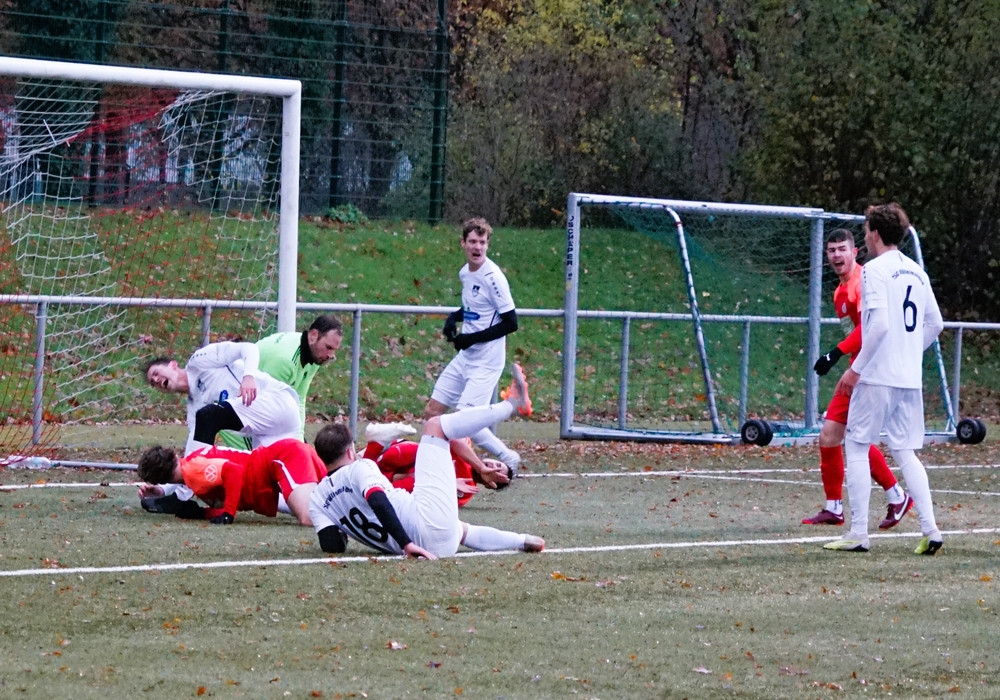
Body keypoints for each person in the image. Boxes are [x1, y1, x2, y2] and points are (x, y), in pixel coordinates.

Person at [309, 363, 544, 559]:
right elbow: (378, 500)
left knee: (462, 531)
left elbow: (332, 546)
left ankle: (522, 540)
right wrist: (406, 544)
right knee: (435, 425)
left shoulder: (318, 499)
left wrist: (344, 528)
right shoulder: (360, 468)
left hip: (437, 543)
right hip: (422, 532)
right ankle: (511, 404)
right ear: (351, 451)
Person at [823, 203, 945, 555]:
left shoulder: (874, 271)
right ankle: (931, 530)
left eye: (865, 232)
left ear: (874, 234)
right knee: (905, 452)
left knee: (856, 446)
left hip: (877, 376)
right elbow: (936, 324)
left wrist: (855, 369)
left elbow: (878, 326)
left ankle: (858, 533)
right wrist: (909, 351)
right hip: (908, 377)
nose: (865, 237)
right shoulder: (917, 272)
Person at [804, 229, 911, 529]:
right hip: (857, 369)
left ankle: (897, 496)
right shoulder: (839, 292)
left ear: (854, 252)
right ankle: (835, 507)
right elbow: (856, 333)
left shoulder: (864, 281)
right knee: (830, 436)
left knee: (855, 438)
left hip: (871, 371)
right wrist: (843, 356)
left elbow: (870, 328)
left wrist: (835, 354)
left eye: (842, 249)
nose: (836, 255)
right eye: (831, 250)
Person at [142, 340, 301, 512]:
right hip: (270, 431)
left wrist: (248, 376)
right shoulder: (193, 407)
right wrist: (163, 489)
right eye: (153, 382)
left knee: (208, 416)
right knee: (272, 490)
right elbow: (192, 456)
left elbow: (248, 348)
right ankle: (317, 503)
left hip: (277, 402)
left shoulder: (199, 361)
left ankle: (180, 499)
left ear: (173, 365)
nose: (156, 380)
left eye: (156, 373)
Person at [425, 217, 527, 477]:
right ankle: (441, 463)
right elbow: (474, 308)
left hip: (487, 361)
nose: (477, 247)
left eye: (482, 242)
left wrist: (470, 339)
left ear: (487, 245)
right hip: (466, 356)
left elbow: (511, 322)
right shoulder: (465, 273)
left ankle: (499, 458)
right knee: (432, 412)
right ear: (463, 243)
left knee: (459, 424)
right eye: (472, 241)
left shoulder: (494, 278)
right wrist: (453, 318)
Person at [220, 315, 344, 450]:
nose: (331, 355)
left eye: (334, 350)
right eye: (328, 347)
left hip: (254, 406)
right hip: (233, 404)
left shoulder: (315, 356)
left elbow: (299, 400)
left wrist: (298, 439)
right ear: (314, 335)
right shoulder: (285, 361)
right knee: (261, 458)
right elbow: (265, 408)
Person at [136, 438, 327, 526]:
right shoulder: (192, 463)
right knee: (331, 504)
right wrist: (204, 513)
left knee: (311, 518)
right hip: (286, 455)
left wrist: (228, 513)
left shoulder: (193, 471)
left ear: (159, 478)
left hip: (285, 458)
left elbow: (233, 471)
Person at [362, 422, 511, 506]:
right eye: (497, 465)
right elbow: (455, 439)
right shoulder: (467, 449)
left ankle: (375, 446)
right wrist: (480, 467)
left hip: (402, 481)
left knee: (419, 483)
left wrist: (448, 485)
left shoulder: (467, 491)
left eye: (497, 473)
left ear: (490, 485)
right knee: (418, 451)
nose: (493, 468)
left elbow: (434, 501)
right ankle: (377, 449)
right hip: (397, 458)